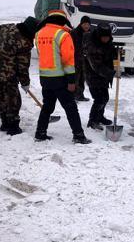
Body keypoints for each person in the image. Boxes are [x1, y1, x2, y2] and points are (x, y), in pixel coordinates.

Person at [34, 10, 91, 144]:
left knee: (47, 106)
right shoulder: (63, 35)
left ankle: (40, 132)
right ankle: (78, 135)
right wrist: (71, 81)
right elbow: (68, 60)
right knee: (70, 107)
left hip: (44, 77)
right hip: (60, 79)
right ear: (61, 20)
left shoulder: (39, 34)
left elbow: (41, 54)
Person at [0, 16, 38, 135]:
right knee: (13, 99)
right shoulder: (25, 42)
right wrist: (25, 83)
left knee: (1, 97)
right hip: (8, 74)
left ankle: (5, 123)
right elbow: (23, 66)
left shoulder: (9, 27)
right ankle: (13, 127)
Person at [82, 24, 116, 130]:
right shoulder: (92, 46)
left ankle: (100, 117)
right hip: (93, 75)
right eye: (104, 37)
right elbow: (97, 66)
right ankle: (92, 121)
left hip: (103, 76)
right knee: (99, 99)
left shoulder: (107, 43)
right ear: (98, 36)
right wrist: (111, 73)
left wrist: (115, 54)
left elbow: (110, 54)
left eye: (108, 37)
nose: (106, 39)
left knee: (104, 98)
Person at [70, 16, 92, 102]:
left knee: (82, 78)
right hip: (75, 59)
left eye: (88, 24)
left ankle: (80, 95)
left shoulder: (91, 33)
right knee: (75, 78)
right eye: (85, 24)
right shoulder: (74, 33)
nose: (86, 26)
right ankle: (72, 96)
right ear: (81, 24)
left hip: (85, 60)